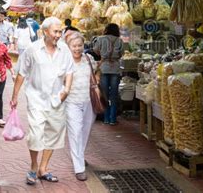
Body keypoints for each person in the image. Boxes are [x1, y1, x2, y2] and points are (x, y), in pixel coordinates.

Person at [11, 17, 74, 185]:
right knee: (36, 135)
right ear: (45, 32)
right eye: (55, 31)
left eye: (60, 31)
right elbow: (21, 73)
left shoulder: (64, 50)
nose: (58, 35)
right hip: (36, 99)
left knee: (53, 134)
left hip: (57, 99)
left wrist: (66, 91)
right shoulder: (32, 49)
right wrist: (14, 96)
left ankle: (43, 169)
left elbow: (69, 71)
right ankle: (33, 166)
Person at [64, 31, 99, 181]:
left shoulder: (89, 58)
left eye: (80, 45)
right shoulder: (64, 61)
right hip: (71, 101)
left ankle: (79, 155)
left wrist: (96, 81)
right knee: (75, 132)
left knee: (85, 131)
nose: (77, 48)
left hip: (89, 101)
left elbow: (97, 72)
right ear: (68, 47)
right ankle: (79, 168)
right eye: (74, 46)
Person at [93, 23, 124, 125]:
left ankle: (106, 118)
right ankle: (112, 119)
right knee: (114, 94)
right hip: (115, 68)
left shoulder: (100, 39)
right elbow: (121, 53)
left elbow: (95, 50)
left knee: (105, 95)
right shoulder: (119, 40)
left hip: (104, 67)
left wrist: (103, 55)